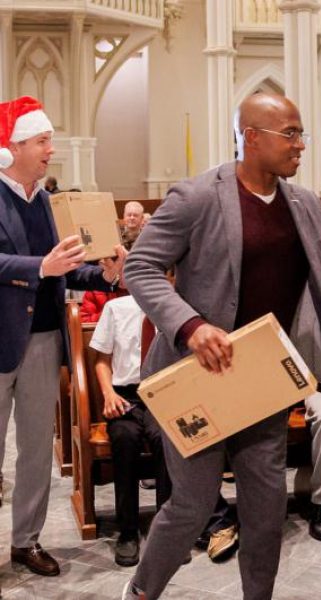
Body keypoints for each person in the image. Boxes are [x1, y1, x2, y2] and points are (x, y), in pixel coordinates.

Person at [121, 93, 321, 600]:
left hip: (261, 374)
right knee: (191, 504)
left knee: (265, 507)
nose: (300, 145)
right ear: (251, 137)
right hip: (198, 370)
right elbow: (139, 267)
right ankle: (141, 592)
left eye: (301, 134)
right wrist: (189, 325)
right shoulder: (197, 197)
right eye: (290, 134)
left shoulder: (302, 203)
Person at [0, 95, 125, 577]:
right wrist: (39, 266)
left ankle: (25, 542)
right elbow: (38, 267)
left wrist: (107, 274)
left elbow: (68, 271)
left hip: (42, 338)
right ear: (12, 149)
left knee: (35, 448)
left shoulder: (52, 205)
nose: (51, 149)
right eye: (42, 141)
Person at [89, 279, 170, 567]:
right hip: (125, 394)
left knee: (166, 438)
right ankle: (127, 531)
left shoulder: (170, 308)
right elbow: (101, 359)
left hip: (162, 391)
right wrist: (108, 393)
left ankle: (166, 529)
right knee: (124, 438)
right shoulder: (116, 308)